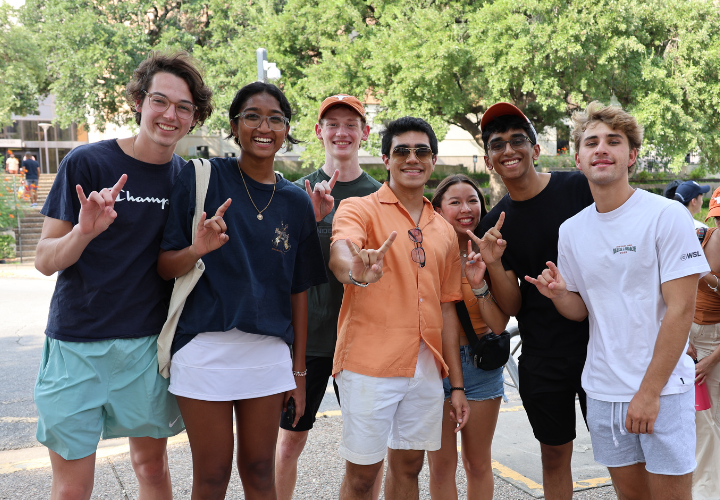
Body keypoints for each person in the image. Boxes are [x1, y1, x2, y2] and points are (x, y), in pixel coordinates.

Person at [33, 51, 213, 500]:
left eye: (184, 107)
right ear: (138, 100)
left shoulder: (188, 180)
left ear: (194, 117)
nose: (170, 115)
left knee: (151, 469)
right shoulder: (87, 163)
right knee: (72, 488)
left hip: (146, 349)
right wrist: (83, 233)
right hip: (76, 344)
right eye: (160, 100)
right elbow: (44, 259)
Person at [527, 101, 709, 500]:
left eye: (614, 140)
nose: (601, 148)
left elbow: (681, 310)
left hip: (662, 391)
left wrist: (648, 392)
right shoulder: (572, 230)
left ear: (632, 155)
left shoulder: (665, 216)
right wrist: (559, 294)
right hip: (603, 391)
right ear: (578, 158)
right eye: (591, 142)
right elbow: (581, 311)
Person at [157, 81, 328, 499]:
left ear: (287, 129)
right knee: (212, 476)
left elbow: (298, 292)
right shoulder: (202, 179)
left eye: (276, 118)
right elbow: (165, 267)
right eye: (252, 116)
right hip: (203, 348)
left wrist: (299, 373)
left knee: (259, 473)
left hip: (267, 355)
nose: (264, 126)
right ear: (235, 126)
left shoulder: (296, 202)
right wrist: (197, 249)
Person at [329, 116, 470, 500]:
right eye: (402, 151)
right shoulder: (359, 207)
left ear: (433, 160)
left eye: (421, 151)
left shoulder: (443, 229)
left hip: (425, 367)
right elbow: (342, 250)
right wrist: (355, 270)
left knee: (409, 467)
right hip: (368, 364)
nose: (412, 158)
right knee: (361, 477)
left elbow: (447, 310)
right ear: (385, 158)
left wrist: (456, 385)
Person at [474, 102, 594, 499]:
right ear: (489, 159)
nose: (508, 150)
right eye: (497, 145)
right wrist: (492, 264)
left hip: (602, 347)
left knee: (625, 453)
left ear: (535, 148)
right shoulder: (493, 224)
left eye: (517, 140)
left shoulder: (579, 187)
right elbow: (510, 306)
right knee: (555, 456)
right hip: (544, 355)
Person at [275, 94, 382, 500]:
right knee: (288, 444)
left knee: (367, 455)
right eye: (332, 124)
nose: (342, 132)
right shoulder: (293, 192)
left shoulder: (378, 196)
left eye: (351, 124)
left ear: (364, 133)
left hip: (360, 343)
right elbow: (279, 268)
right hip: (307, 344)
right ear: (319, 132)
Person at [427, 174, 509, 500]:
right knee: (442, 467)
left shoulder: (489, 251)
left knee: (477, 464)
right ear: (437, 208)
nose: (466, 209)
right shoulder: (425, 251)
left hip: (481, 366)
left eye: (472, 200)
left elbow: (500, 324)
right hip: (435, 366)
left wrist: (479, 284)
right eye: (455, 202)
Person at [686, 189, 720, 499]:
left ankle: (706, 491)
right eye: (718, 218)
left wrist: (712, 360)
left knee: (710, 420)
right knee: (695, 417)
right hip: (689, 336)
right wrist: (682, 338)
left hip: (716, 343)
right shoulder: (700, 236)